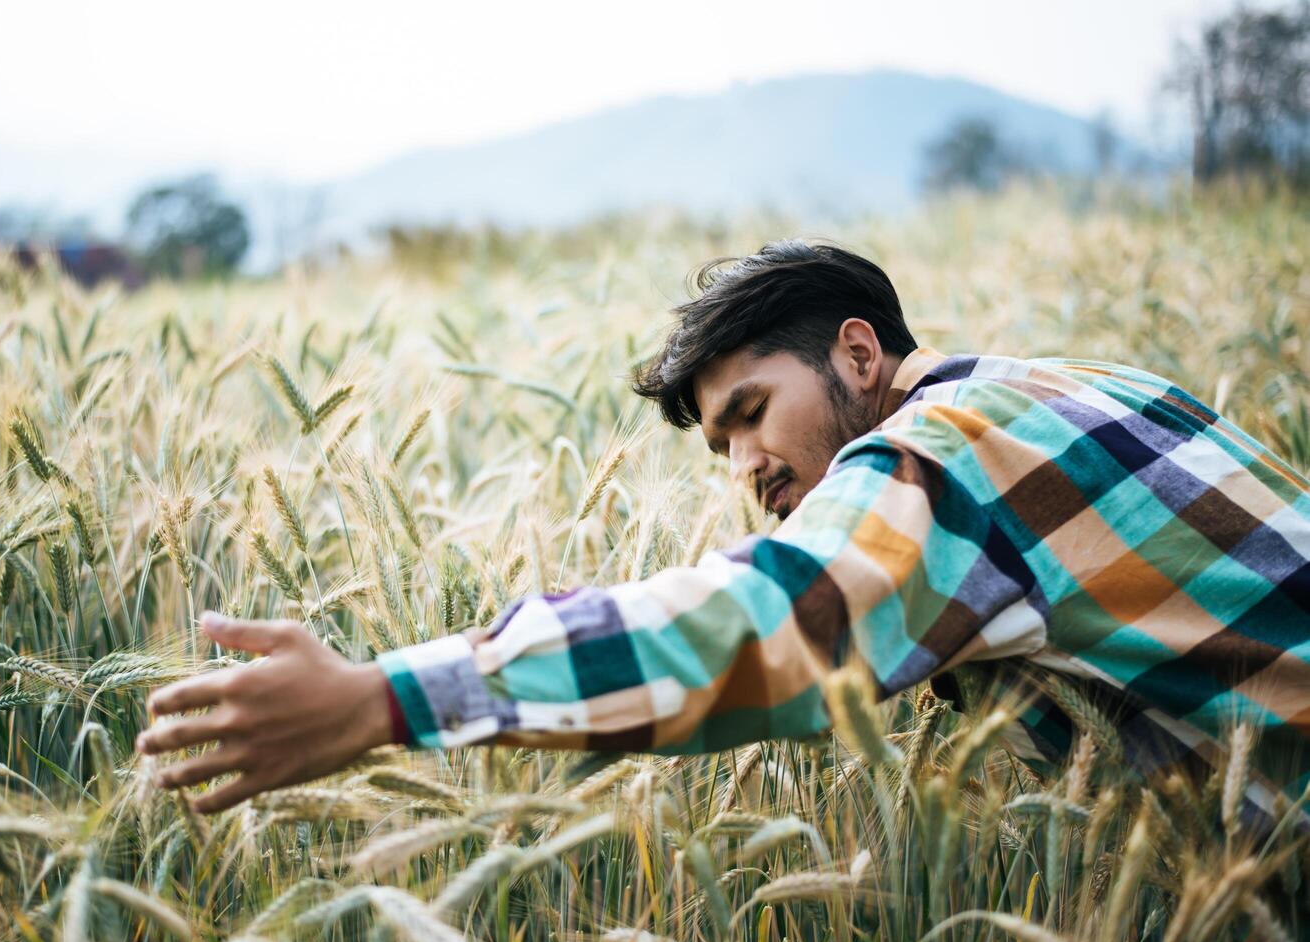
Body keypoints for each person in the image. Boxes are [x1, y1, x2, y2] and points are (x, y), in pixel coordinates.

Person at [136, 240, 1310, 841]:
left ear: (859, 354)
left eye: (750, 412)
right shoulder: (1095, 387)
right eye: (717, 446)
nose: (746, 470)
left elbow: (766, 624)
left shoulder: (940, 455)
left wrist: (390, 696)